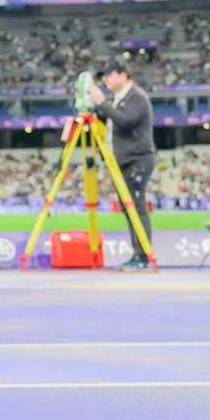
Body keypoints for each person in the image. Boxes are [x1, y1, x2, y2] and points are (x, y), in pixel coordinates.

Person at [87, 60, 156, 269]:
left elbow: (125, 121)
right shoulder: (117, 99)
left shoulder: (136, 97)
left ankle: (143, 256)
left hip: (137, 159)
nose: (106, 80)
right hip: (123, 161)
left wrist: (102, 104)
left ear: (123, 75)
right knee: (129, 210)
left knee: (136, 207)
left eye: (109, 74)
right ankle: (138, 253)